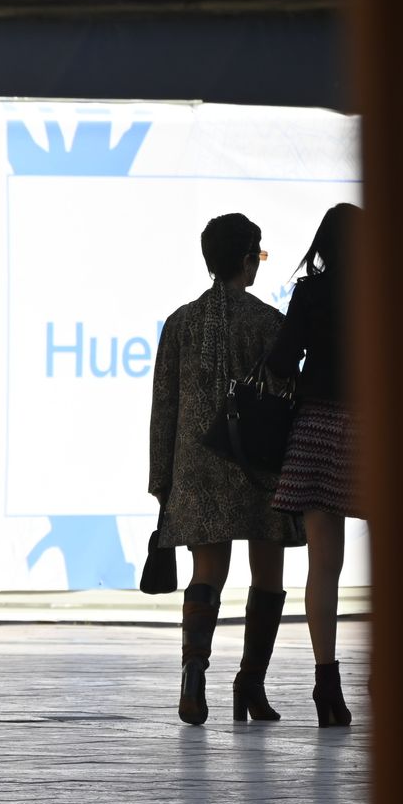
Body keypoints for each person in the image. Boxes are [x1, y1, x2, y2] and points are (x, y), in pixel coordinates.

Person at [148, 212, 304, 725]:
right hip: (258, 469)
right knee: (269, 574)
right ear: (245, 260)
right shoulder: (268, 322)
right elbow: (287, 400)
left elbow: (163, 408)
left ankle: (194, 675)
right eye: (257, 256)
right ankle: (250, 686)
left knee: (207, 574)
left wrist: (162, 485)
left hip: (196, 469)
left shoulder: (179, 323)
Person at [267, 203, 362, 728]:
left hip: (316, 429)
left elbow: (283, 361)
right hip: (375, 431)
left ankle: (328, 683)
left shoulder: (310, 291)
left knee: (323, 566)